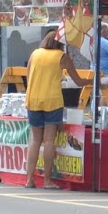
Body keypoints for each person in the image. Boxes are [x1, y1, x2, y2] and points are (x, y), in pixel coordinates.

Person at [23, 29, 86, 189]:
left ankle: (29, 180)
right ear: (61, 43)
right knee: (49, 140)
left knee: (35, 141)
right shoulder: (62, 57)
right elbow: (78, 81)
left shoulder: (34, 54)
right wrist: (94, 80)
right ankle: (47, 181)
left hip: (33, 99)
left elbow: (29, 77)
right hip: (52, 100)